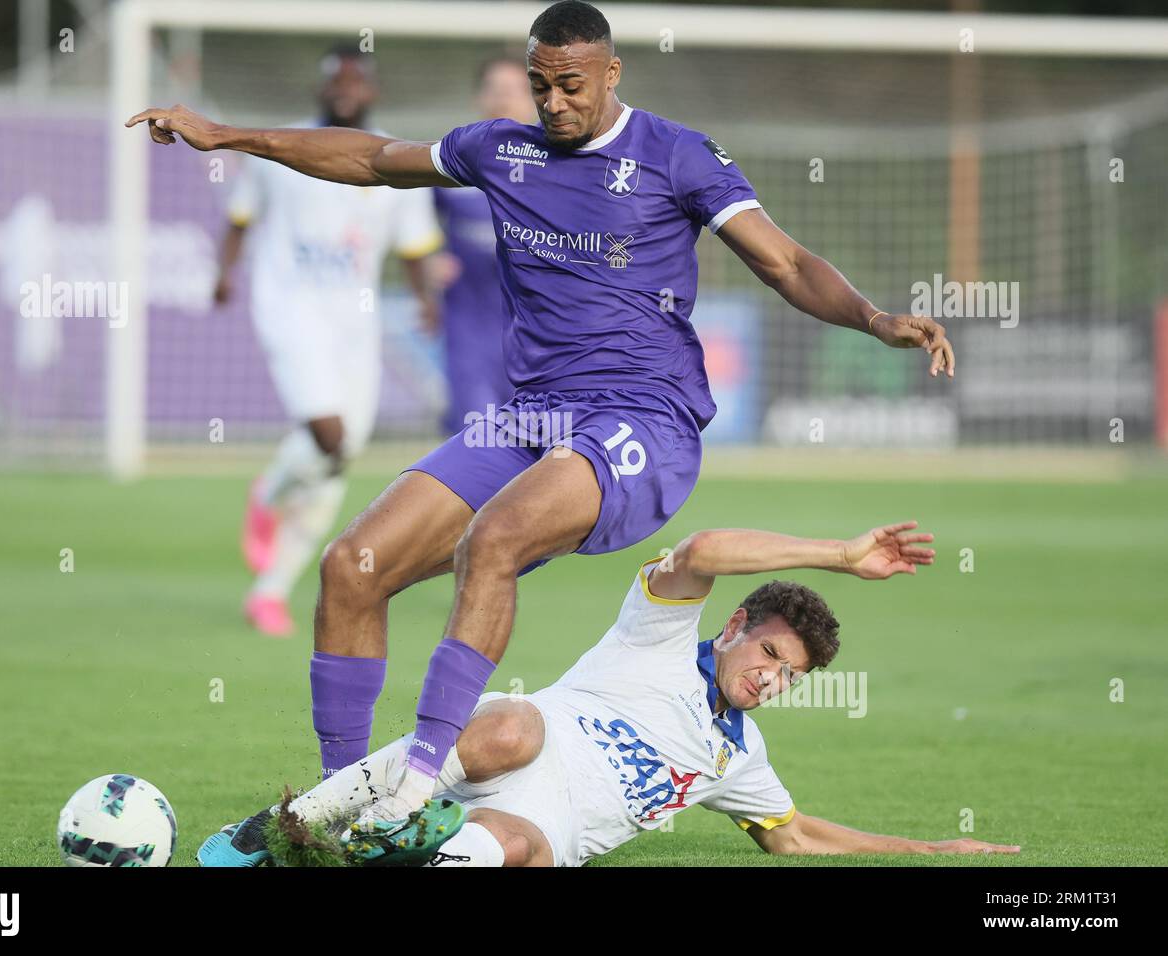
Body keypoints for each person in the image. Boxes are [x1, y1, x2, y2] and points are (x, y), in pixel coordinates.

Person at [127, 0, 957, 825]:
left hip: (644, 420)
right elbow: (373, 158)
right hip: (529, 420)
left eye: (570, 85)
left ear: (610, 73)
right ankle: (342, 803)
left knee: (495, 537)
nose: (553, 103)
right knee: (353, 567)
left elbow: (785, 263)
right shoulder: (499, 150)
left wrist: (875, 318)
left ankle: (418, 778)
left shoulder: (677, 155)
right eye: (539, 85)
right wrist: (228, 134)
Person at [199, 520, 1018, 866]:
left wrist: (933, 851)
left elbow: (795, 836)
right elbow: (699, 546)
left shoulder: (738, 755)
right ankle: (285, 827)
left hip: (549, 820)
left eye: (790, 675)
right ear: (736, 625)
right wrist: (839, 552)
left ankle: (393, 851)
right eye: (770, 652)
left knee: (507, 846)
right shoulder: (658, 632)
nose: (772, 679)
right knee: (511, 723)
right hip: (526, 741)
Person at [214, 46, 444, 637]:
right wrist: (224, 273)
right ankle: (270, 493)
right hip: (288, 305)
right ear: (319, 89)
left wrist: (425, 299)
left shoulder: (398, 159)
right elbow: (240, 217)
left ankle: (269, 589)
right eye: (334, 81)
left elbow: (417, 247)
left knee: (340, 454)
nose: (345, 90)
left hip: (355, 319)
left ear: (372, 91)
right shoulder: (282, 149)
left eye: (355, 82)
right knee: (328, 433)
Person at [432, 56, 532, 433]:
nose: (504, 99)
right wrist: (428, 259)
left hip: (539, 343)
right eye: (495, 90)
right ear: (479, 97)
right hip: (470, 337)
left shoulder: (561, 168)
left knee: (540, 458)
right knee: (476, 446)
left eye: (514, 90)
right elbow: (410, 226)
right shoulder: (452, 164)